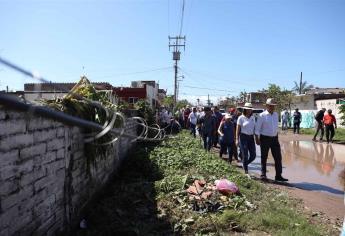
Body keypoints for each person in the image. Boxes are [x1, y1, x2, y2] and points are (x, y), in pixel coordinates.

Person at [255, 98, 288, 182]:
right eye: (270, 106)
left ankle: (278, 175)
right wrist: (257, 139)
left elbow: (275, 127)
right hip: (264, 138)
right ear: (267, 106)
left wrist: (276, 135)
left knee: (278, 157)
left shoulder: (276, 114)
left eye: (273, 106)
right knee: (264, 157)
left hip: (274, 139)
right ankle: (263, 175)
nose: (272, 107)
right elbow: (257, 129)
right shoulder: (262, 115)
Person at [236, 103, 256, 174]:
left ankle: (245, 164)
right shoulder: (241, 118)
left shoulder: (253, 117)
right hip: (243, 137)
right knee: (245, 155)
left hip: (251, 138)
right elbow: (237, 130)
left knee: (253, 155)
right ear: (245, 109)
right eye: (248, 109)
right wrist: (237, 139)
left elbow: (254, 128)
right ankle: (246, 172)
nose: (249, 110)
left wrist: (257, 137)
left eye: (250, 109)